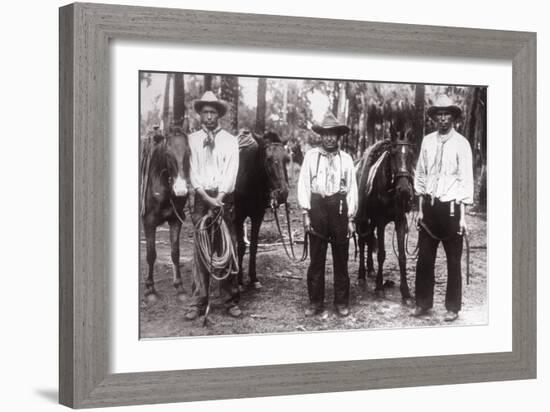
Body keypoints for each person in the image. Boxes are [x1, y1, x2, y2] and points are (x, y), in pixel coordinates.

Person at [413, 95, 474, 322]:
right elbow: (421, 174)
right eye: (439, 114)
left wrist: (463, 218)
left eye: (447, 113)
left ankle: (452, 307)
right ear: (434, 117)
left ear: (453, 117)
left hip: (451, 210)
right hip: (429, 207)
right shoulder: (427, 141)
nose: (443, 118)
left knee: (453, 261)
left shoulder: (462, 144)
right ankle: (423, 303)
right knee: (425, 259)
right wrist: (420, 209)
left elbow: (466, 179)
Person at [185, 91, 241, 320]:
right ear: (200, 114)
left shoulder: (230, 141)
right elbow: (192, 172)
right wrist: (207, 198)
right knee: (201, 248)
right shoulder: (192, 140)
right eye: (205, 112)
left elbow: (231, 171)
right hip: (201, 198)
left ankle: (229, 300)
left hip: (224, 197)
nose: (209, 116)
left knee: (226, 248)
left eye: (213, 112)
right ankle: (199, 301)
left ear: (219, 114)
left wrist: (220, 197)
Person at [297, 112, 358, 317]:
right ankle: (315, 301)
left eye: (333, 134)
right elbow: (304, 185)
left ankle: (341, 302)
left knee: (341, 258)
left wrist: (350, 219)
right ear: (321, 135)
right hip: (318, 209)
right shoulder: (311, 157)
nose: (330, 138)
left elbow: (352, 190)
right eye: (326, 134)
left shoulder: (346, 159)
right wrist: (306, 213)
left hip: (339, 209)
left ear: (339, 136)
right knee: (316, 258)